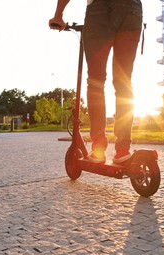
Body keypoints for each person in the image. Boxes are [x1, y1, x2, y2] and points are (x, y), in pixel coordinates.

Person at [49, 0, 143, 164]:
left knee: (96, 82)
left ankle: (99, 149)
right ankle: (122, 150)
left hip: (100, 10)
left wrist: (58, 15)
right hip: (132, 10)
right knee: (124, 83)